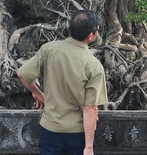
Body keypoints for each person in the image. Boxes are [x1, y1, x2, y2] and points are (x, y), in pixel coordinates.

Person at [17, 10, 108, 155]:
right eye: (97, 30)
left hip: (50, 130)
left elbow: (22, 74)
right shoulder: (94, 65)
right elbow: (90, 109)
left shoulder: (50, 49)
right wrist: (89, 147)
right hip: (77, 135)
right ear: (90, 36)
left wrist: (37, 92)